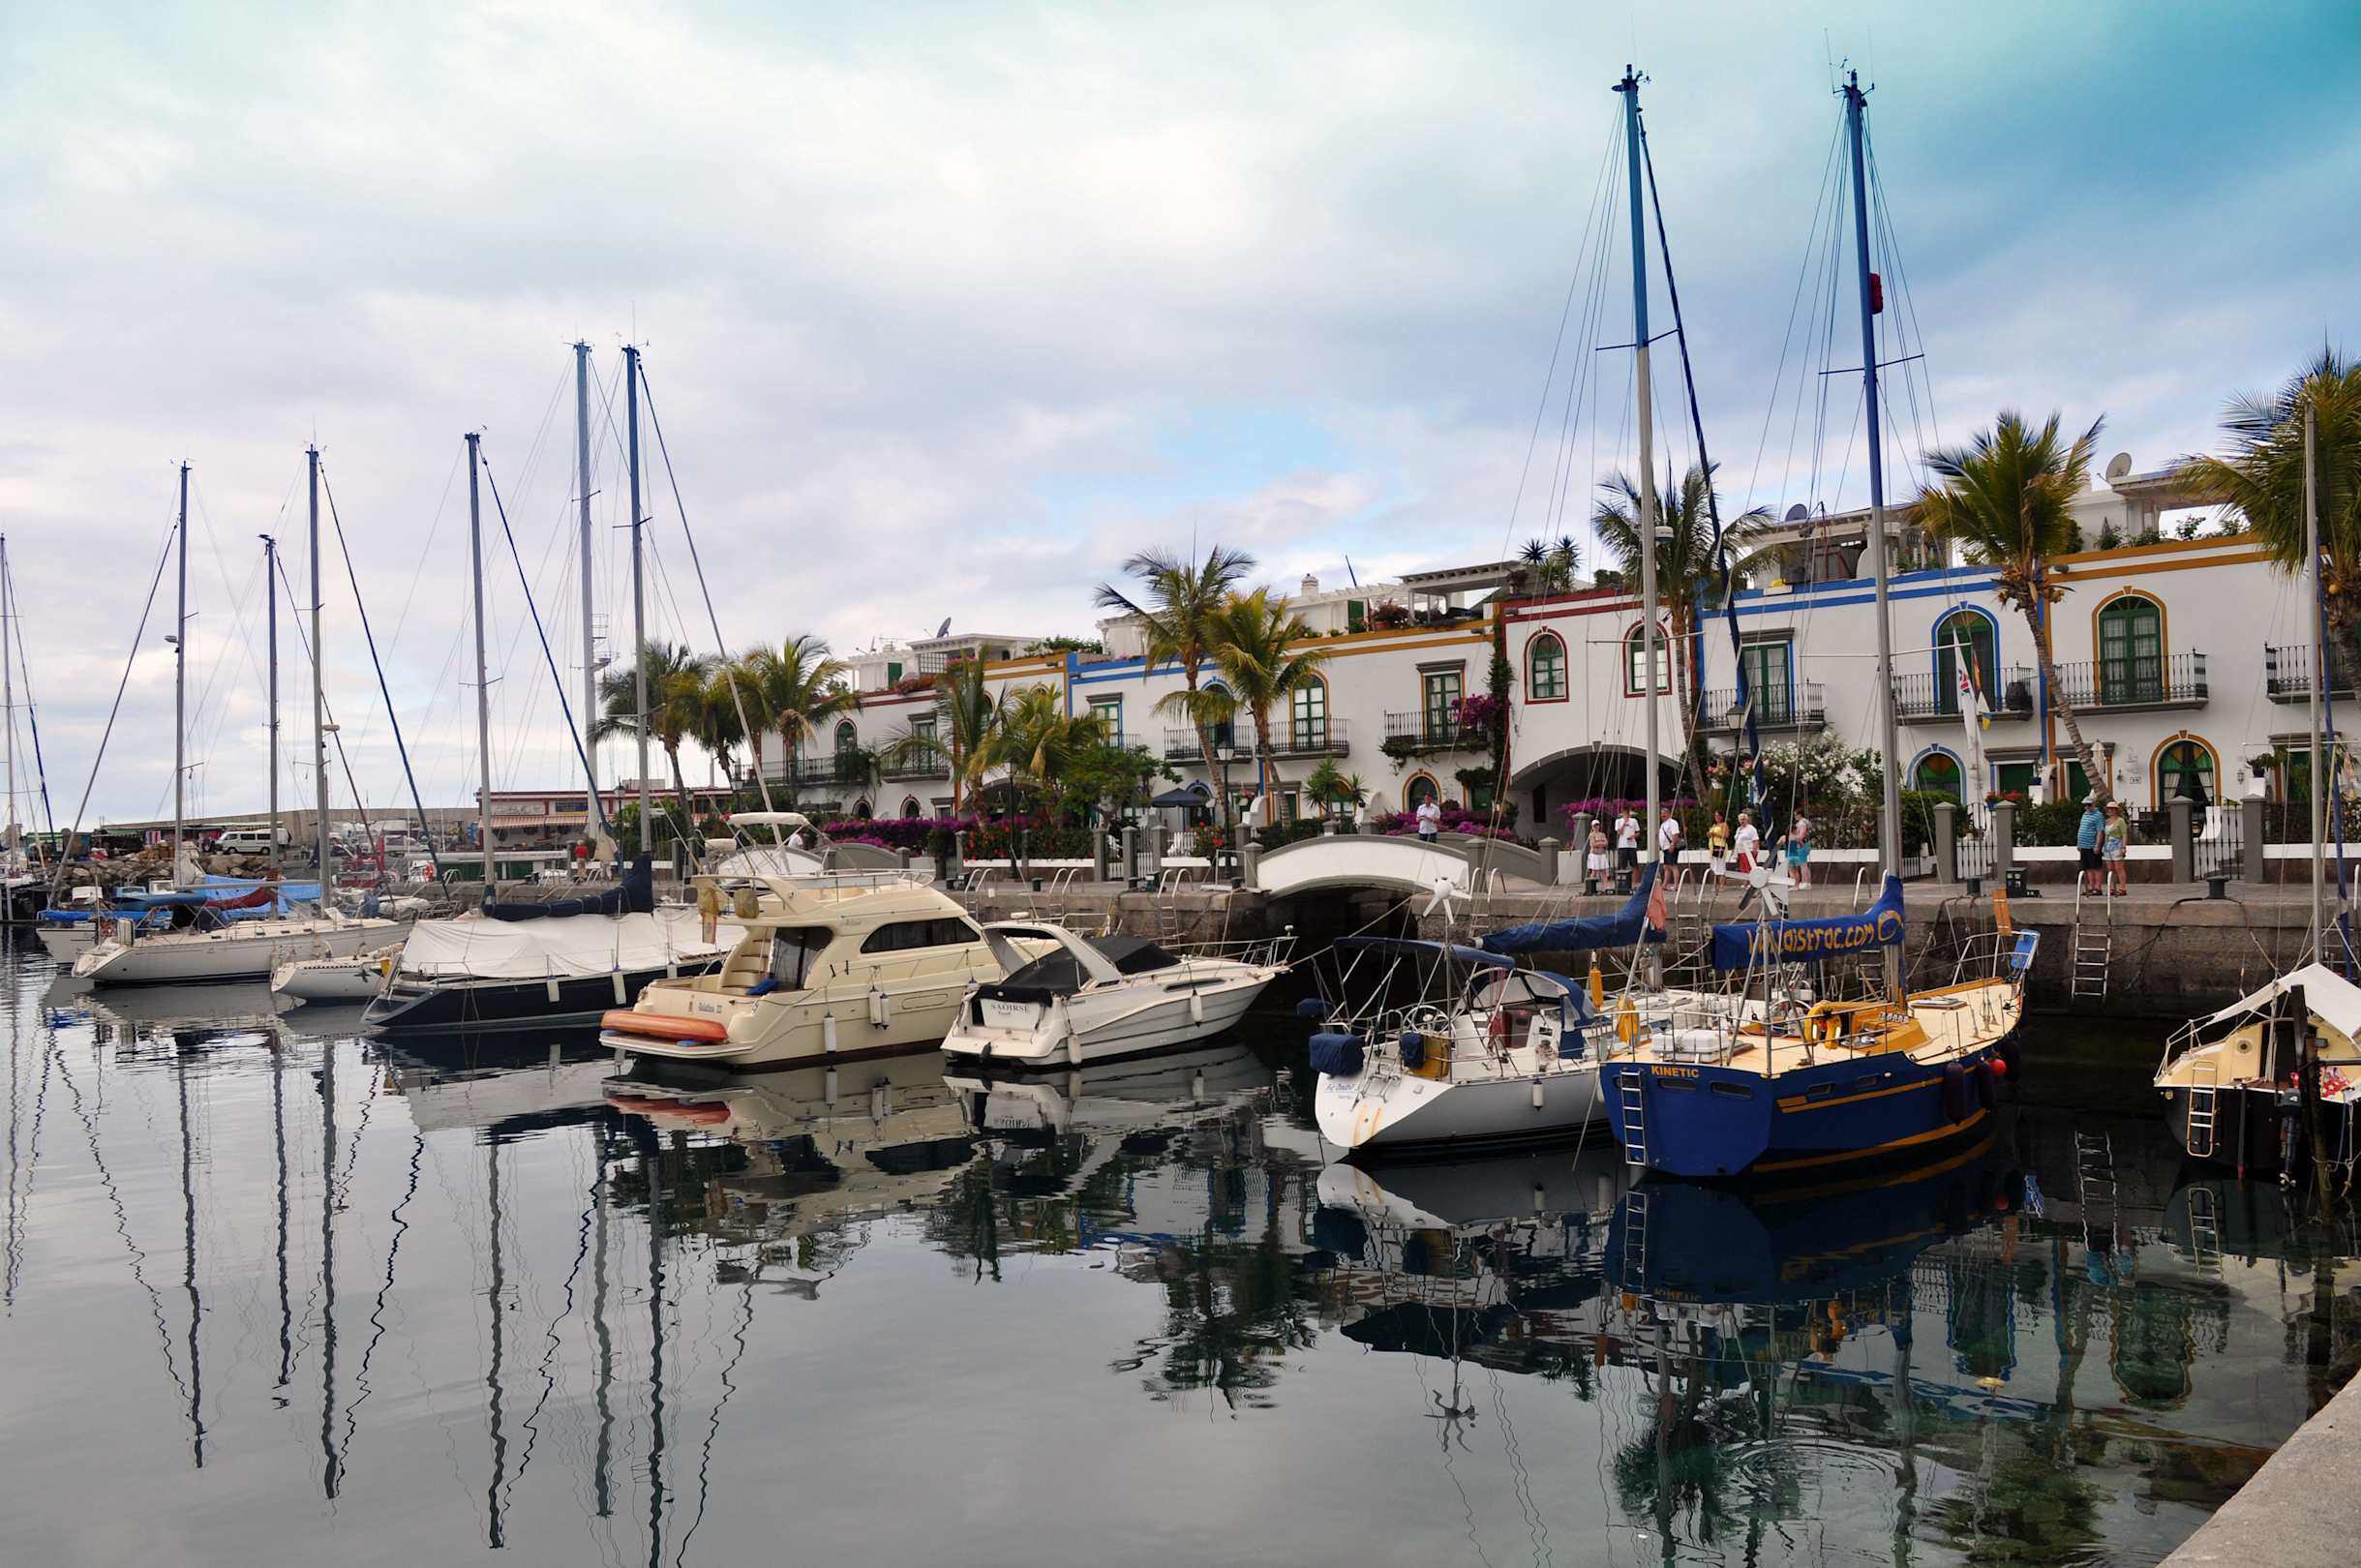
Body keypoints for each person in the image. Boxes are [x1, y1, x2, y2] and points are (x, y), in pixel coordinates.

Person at [2075, 795, 2105, 895]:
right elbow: (2081, 828)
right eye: (2085, 805)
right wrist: (2079, 844)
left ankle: (2098, 888)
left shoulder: (2098, 815)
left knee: (2096, 867)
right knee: (2088, 867)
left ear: (2093, 804)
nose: (2087, 807)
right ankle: (2092, 887)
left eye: (2089, 805)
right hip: (2083, 845)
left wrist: (2097, 845)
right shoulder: (2085, 814)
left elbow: (2100, 831)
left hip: (2092, 845)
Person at [2103, 799, 2129, 895]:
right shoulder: (2106, 821)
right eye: (2109, 809)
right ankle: (2112, 888)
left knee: (2119, 868)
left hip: (2117, 845)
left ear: (2116, 810)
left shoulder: (2120, 821)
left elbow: (2124, 834)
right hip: (2107, 846)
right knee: (2110, 868)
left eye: (2112, 809)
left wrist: (2123, 847)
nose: (2110, 811)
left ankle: (2122, 888)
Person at [1657, 807, 1684, 890]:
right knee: (1666, 867)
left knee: (1673, 866)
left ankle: (1676, 885)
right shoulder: (1663, 824)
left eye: (1664, 813)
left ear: (1669, 814)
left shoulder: (1672, 822)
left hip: (1671, 847)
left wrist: (1672, 844)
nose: (1662, 815)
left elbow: (1675, 834)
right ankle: (1664, 885)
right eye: (1661, 813)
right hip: (1665, 848)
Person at [1783, 811, 1813, 888]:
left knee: (1803, 864)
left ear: (1799, 815)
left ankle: (1805, 881)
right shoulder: (1806, 822)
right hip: (1806, 844)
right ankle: (1807, 882)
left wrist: (1797, 840)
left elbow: (1802, 833)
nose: (1795, 816)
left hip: (1802, 845)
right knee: (1804, 864)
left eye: (1795, 815)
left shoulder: (1801, 823)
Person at [1614, 807, 1641, 875]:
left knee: (1634, 865)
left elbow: (1638, 832)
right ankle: (1623, 879)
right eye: (1625, 813)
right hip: (1622, 845)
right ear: (1622, 814)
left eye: (1628, 813)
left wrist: (1633, 836)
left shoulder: (1634, 821)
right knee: (1623, 865)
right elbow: (1619, 833)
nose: (1627, 815)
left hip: (1632, 845)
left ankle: (1635, 880)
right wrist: (1624, 823)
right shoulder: (1618, 821)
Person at [1586, 822, 1611, 895]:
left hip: (1601, 854)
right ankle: (1590, 888)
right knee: (1594, 871)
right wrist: (1601, 843)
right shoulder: (1592, 835)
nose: (1596, 827)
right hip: (1594, 855)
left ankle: (1606, 888)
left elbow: (1606, 843)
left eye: (1597, 825)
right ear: (1592, 826)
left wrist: (1598, 843)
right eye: (1595, 825)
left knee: (1604, 871)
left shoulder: (1602, 834)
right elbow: (1593, 844)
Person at [1732, 810, 1759, 874]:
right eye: (1741, 819)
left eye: (1743, 819)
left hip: (1749, 851)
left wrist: (1755, 850)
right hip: (1740, 851)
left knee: (1749, 868)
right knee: (1743, 869)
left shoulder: (1751, 828)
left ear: (1747, 820)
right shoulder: (1739, 829)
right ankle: (1745, 880)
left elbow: (1755, 840)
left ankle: (1751, 879)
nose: (1742, 821)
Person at [1707, 810, 1731, 880]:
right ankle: (1717, 882)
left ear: (1721, 817)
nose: (1717, 817)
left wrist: (1715, 834)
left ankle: (1722, 884)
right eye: (1715, 815)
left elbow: (1726, 835)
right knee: (1715, 867)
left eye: (1718, 815)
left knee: (1720, 867)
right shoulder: (1714, 825)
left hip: (1720, 846)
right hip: (1713, 846)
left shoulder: (1724, 825)